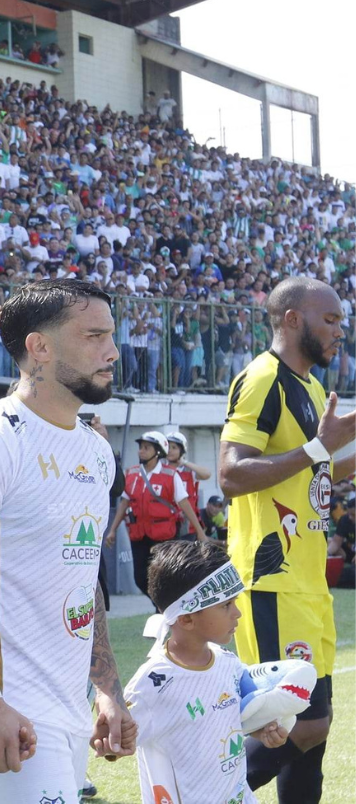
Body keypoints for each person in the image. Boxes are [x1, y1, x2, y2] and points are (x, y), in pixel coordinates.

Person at [0, 279, 136, 802]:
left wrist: (106, 689)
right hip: (11, 709)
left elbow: (83, 578)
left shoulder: (94, 451)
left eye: (111, 335)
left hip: (68, 706)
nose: (112, 351)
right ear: (38, 347)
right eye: (94, 336)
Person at [217, 277, 354, 803]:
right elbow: (231, 476)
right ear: (293, 319)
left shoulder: (314, 388)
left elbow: (313, 477)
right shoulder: (261, 379)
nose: (340, 331)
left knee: (315, 732)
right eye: (331, 320)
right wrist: (320, 447)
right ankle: (202, 791)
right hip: (271, 579)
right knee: (300, 724)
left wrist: (338, 452)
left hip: (309, 581)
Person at [124, 540, 289, 804]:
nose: (237, 613)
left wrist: (261, 730)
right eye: (226, 605)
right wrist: (110, 741)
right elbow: (116, 743)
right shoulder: (152, 684)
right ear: (186, 618)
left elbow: (234, 718)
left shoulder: (228, 662)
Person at [104, 431, 213, 599]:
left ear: (158, 451)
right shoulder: (131, 473)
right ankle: (161, 604)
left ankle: (165, 607)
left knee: (167, 573)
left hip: (165, 534)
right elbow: (124, 503)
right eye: (140, 448)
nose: (141, 451)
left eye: (146, 448)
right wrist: (112, 530)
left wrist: (200, 531)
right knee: (140, 578)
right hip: (139, 535)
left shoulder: (171, 474)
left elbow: (185, 503)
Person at [164, 430, 212, 526]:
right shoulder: (160, 469)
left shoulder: (188, 471)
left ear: (182, 450)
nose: (170, 450)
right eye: (168, 447)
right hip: (167, 523)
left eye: (174, 448)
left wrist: (185, 462)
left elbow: (207, 474)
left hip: (188, 524)